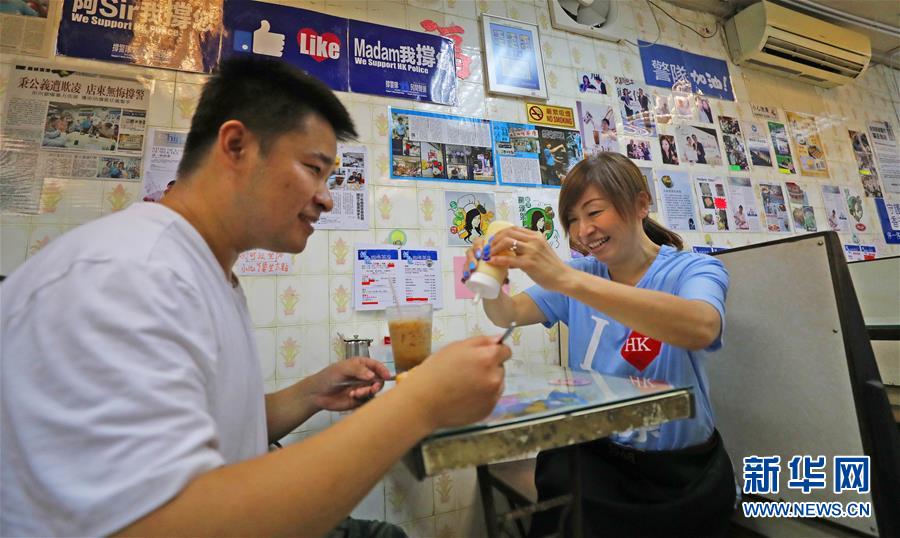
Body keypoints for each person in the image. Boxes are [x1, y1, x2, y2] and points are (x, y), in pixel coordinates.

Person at [0, 56, 512, 538]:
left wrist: (309, 394)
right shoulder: (130, 276)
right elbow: (166, 522)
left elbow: (213, 423)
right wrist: (419, 404)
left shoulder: (201, 270)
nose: (327, 197)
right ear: (236, 146)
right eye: (313, 168)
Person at [460, 152, 734, 537]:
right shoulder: (579, 273)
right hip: (597, 461)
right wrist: (490, 280)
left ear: (641, 204)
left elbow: (702, 327)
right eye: (572, 219)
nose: (583, 230)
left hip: (680, 474)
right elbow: (508, 314)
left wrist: (565, 279)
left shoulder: (692, 270)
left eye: (594, 212)